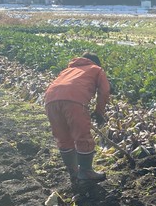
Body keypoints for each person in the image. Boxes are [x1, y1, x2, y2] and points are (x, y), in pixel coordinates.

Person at [44, 52, 110, 183]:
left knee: (63, 138)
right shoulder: (96, 69)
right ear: (95, 62)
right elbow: (105, 91)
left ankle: (73, 172)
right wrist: (99, 112)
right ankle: (86, 171)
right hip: (74, 101)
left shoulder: (68, 70)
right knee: (82, 137)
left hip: (50, 101)